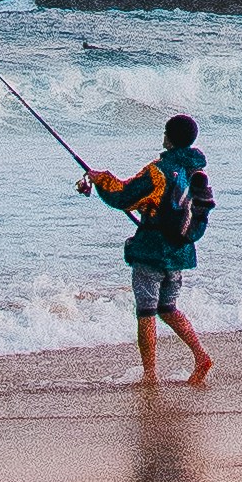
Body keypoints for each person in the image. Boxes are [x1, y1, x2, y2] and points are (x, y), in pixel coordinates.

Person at [82, 114, 214, 385]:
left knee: (146, 312)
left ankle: (150, 373)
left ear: (169, 138)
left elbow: (125, 196)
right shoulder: (196, 171)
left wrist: (100, 179)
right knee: (168, 308)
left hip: (152, 252)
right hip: (179, 253)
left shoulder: (159, 171)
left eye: (165, 132)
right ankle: (201, 355)